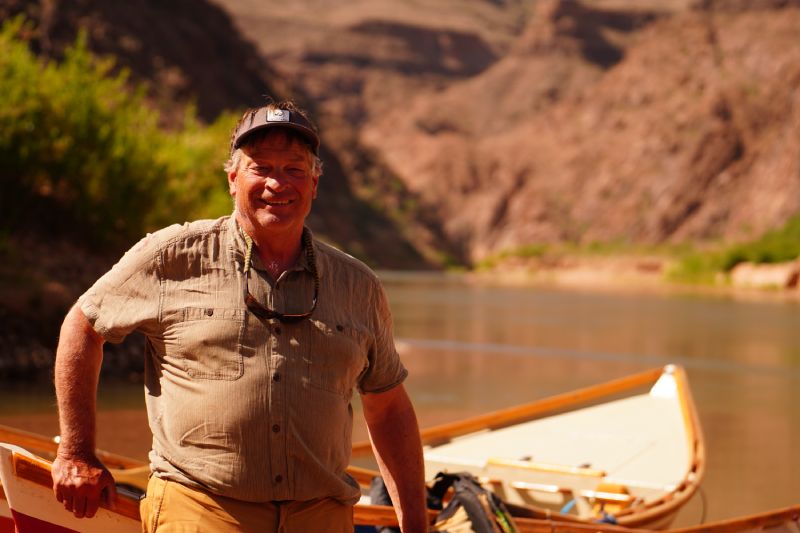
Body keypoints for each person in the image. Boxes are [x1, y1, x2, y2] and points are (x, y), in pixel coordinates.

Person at [51, 100, 428, 532]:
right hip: (200, 510)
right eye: (261, 167)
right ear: (232, 178)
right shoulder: (171, 256)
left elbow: (387, 408)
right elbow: (83, 326)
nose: (277, 183)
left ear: (315, 183)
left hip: (322, 517)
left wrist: (415, 525)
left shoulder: (358, 285)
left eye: (294, 169)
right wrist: (77, 452)